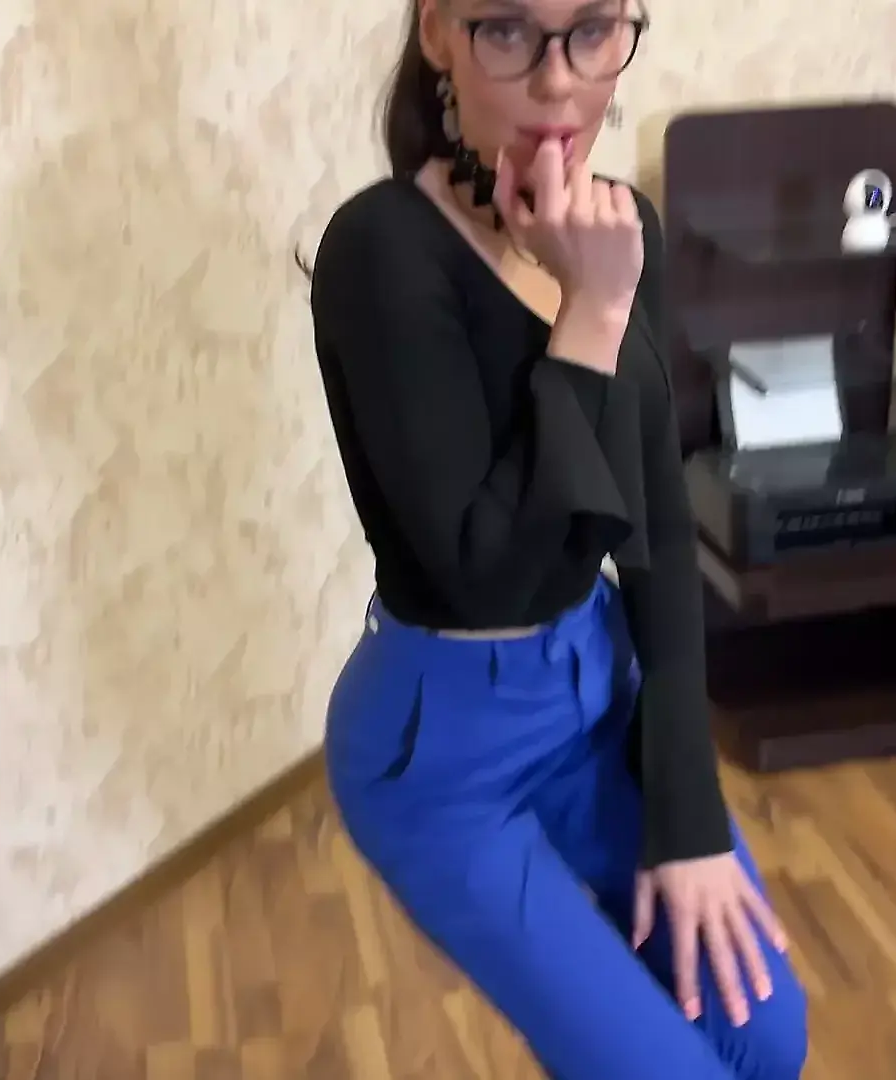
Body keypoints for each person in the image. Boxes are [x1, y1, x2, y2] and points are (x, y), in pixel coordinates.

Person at [303, 1, 809, 1077]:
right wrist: (590, 312)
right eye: (508, 31)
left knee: (766, 1035)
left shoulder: (624, 229)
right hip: (443, 750)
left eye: (593, 30)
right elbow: (487, 573)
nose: (559, 79)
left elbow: (658, 534)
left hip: (596, 685)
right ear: (438, 33)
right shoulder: (382, 249)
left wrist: (689, 816)